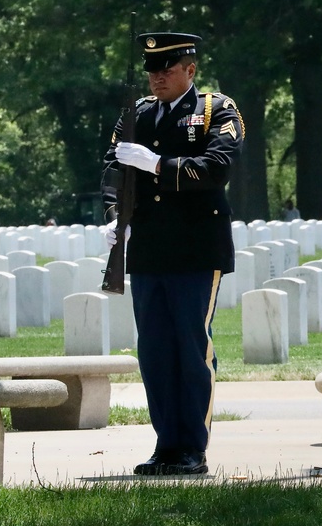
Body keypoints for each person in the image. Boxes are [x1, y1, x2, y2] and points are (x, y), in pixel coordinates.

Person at [102, 30, 244, 476]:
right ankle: (166, 443)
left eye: (167, 68)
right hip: (146, 249)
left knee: (190, 345)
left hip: (196, 249)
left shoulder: (215, 110)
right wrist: (113, 216)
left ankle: (192, 448)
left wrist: (158, 165)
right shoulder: (137, 114)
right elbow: (111, 168)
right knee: (156, 351)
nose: (157, 77)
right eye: (151, 69)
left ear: (190, 69)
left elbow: (217, 167)